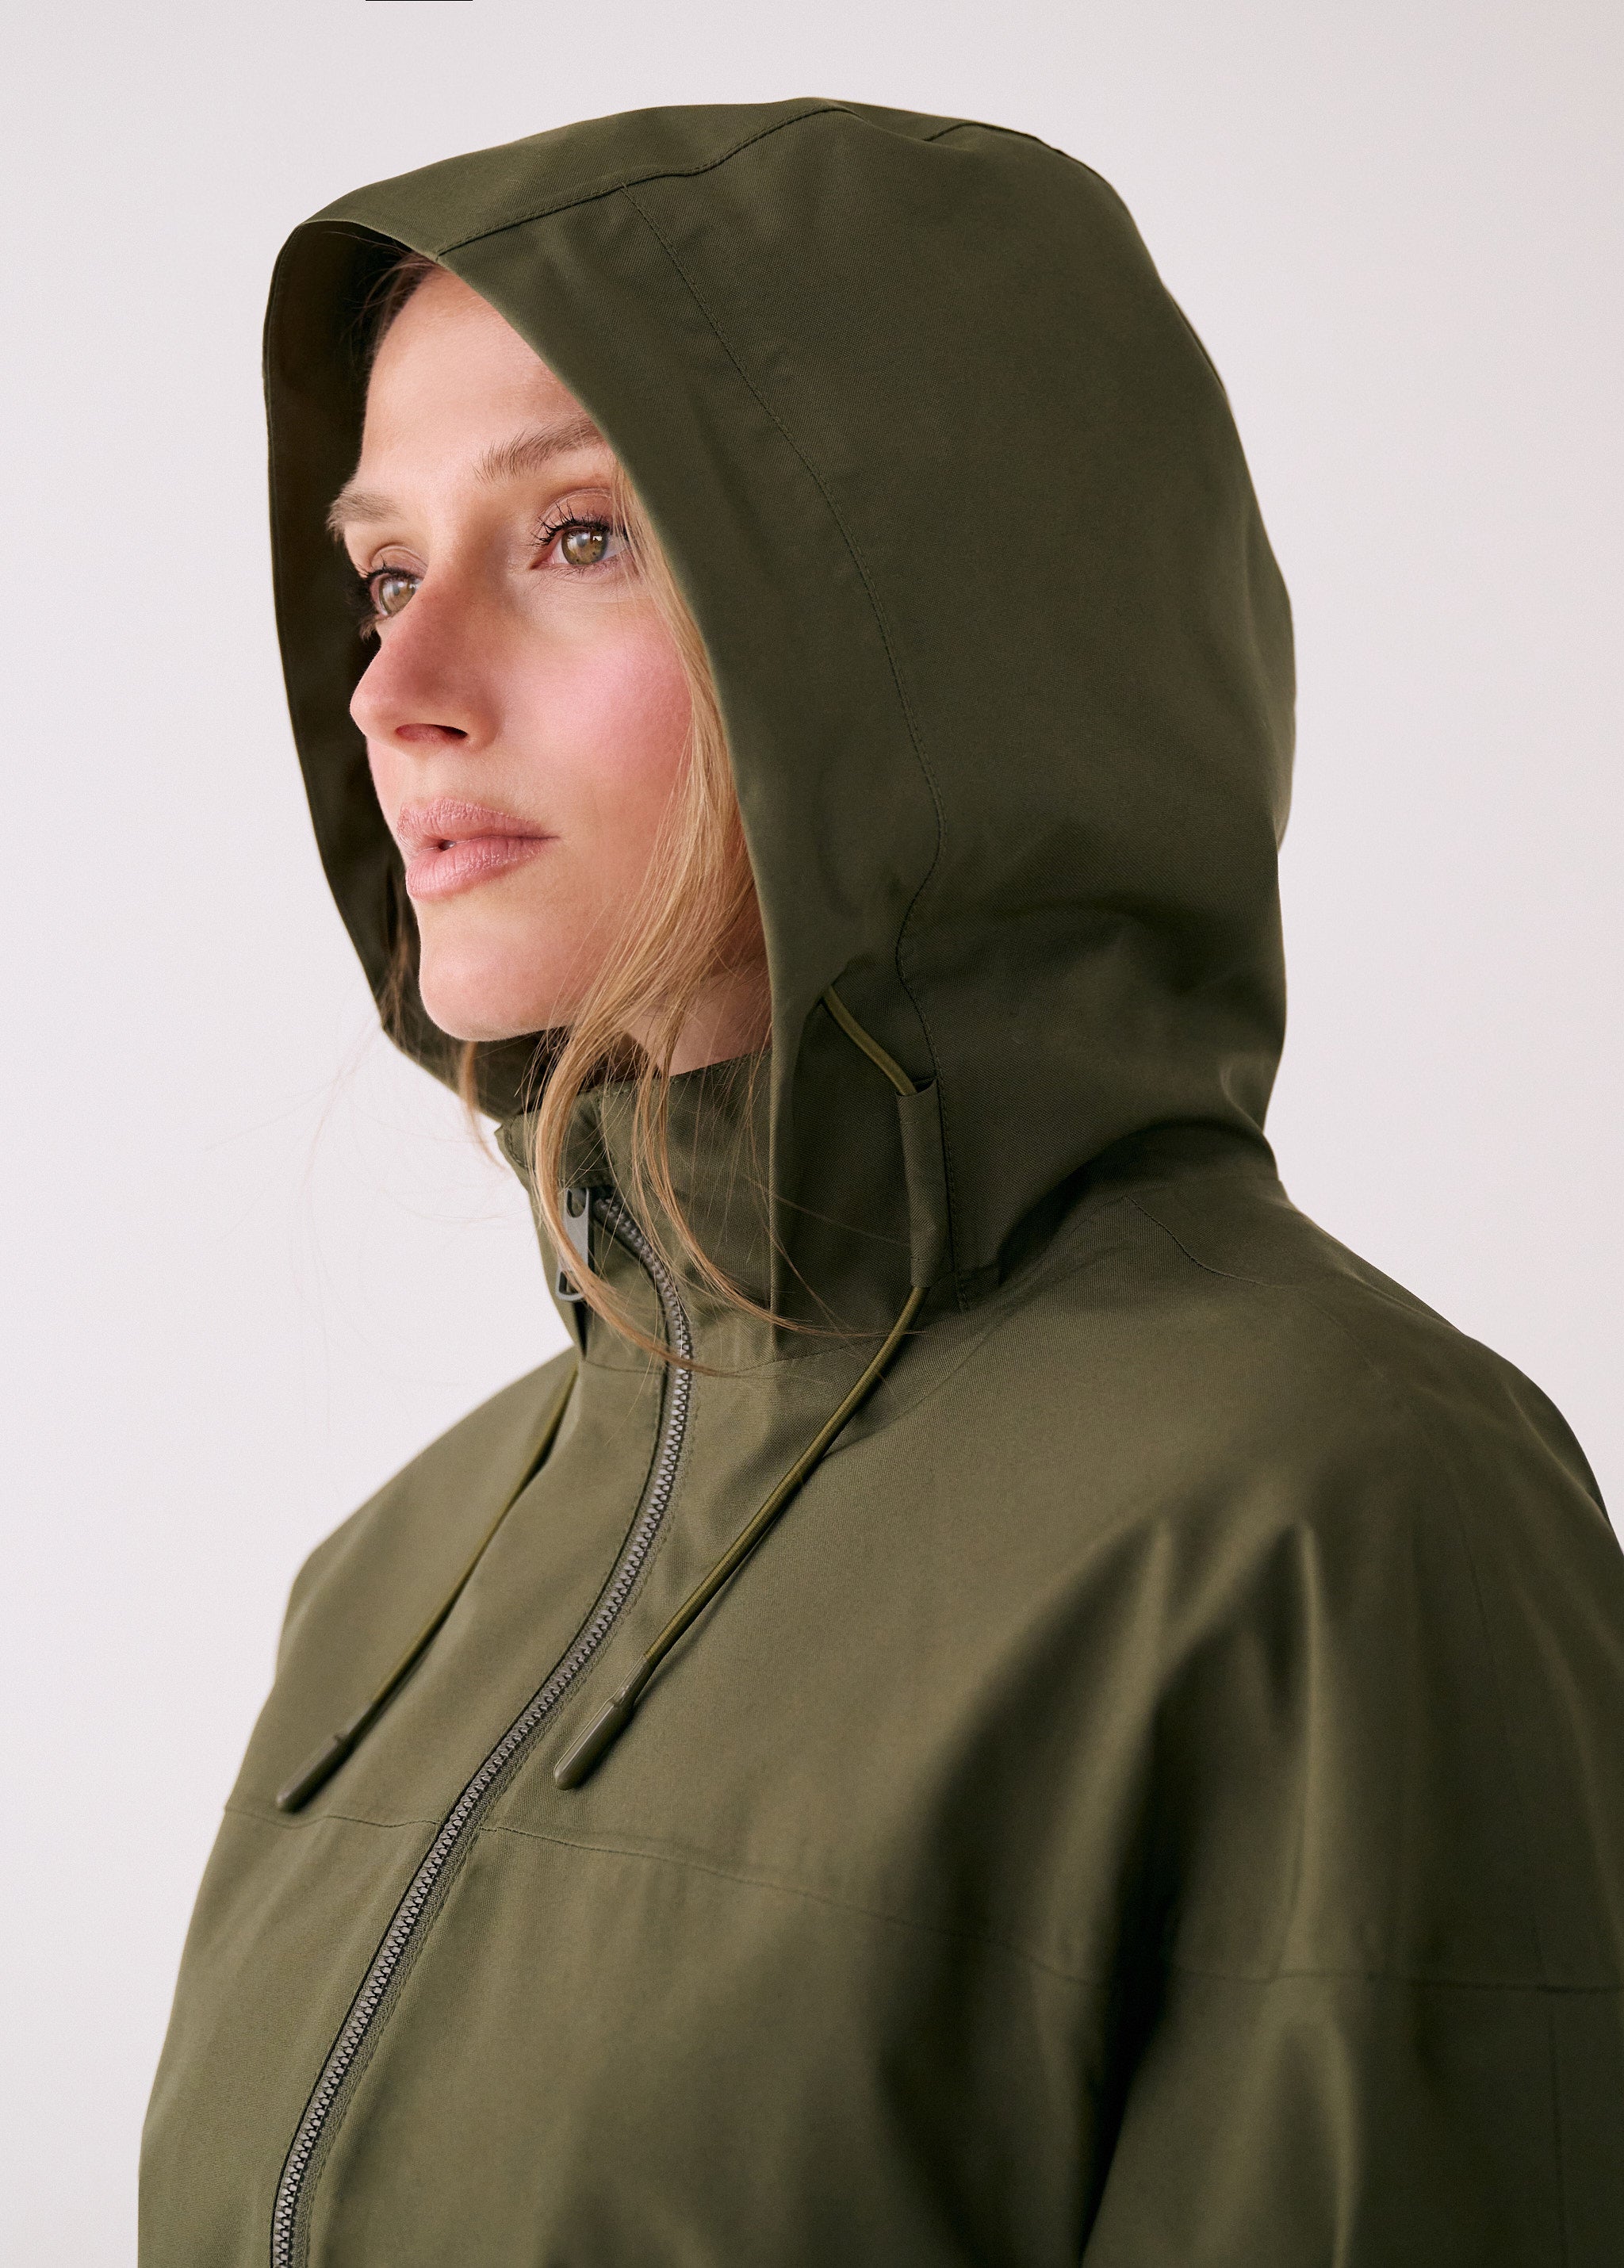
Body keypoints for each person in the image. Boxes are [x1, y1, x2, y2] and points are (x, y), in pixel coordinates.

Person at [141, 100, 1624, 2266]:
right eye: (382, 573)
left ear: (932, 622)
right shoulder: (394, 1583)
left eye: (579, 536)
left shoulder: (1329, 1523)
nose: (397, 690)